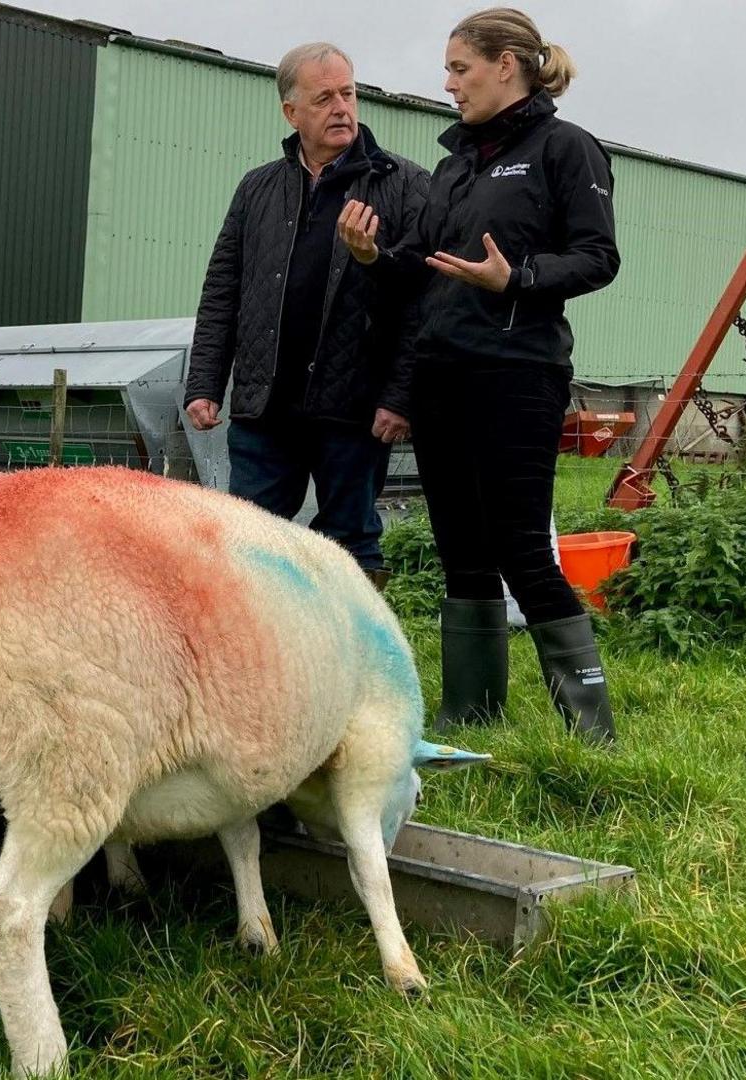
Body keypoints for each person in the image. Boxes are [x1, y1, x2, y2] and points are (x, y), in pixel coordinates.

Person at [338, 8, 619, 742]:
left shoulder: (567, 150)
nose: (449, 83)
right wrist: (372, 256)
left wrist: (515, 278)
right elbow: (423, 266)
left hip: (518, 373)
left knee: (520, 548)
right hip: (443, 372)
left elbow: (598, 257)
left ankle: (591, 732)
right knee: (459, 547)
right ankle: (473, 714)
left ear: (507, 65)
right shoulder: (455, 164)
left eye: (460, 68)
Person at [184, 42, 430, 588]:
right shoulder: (258, 188)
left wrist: (399, 396)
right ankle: (258, 658)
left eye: (348, 93)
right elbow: (222, 291)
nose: (342, 107)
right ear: (291, 112)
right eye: (324, 98)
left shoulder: (405, 185)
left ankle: (354, 658)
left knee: (351, 542)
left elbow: (424, 301)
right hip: (266, 405)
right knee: (249, 538)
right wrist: (204, 382)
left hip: (355, 406)